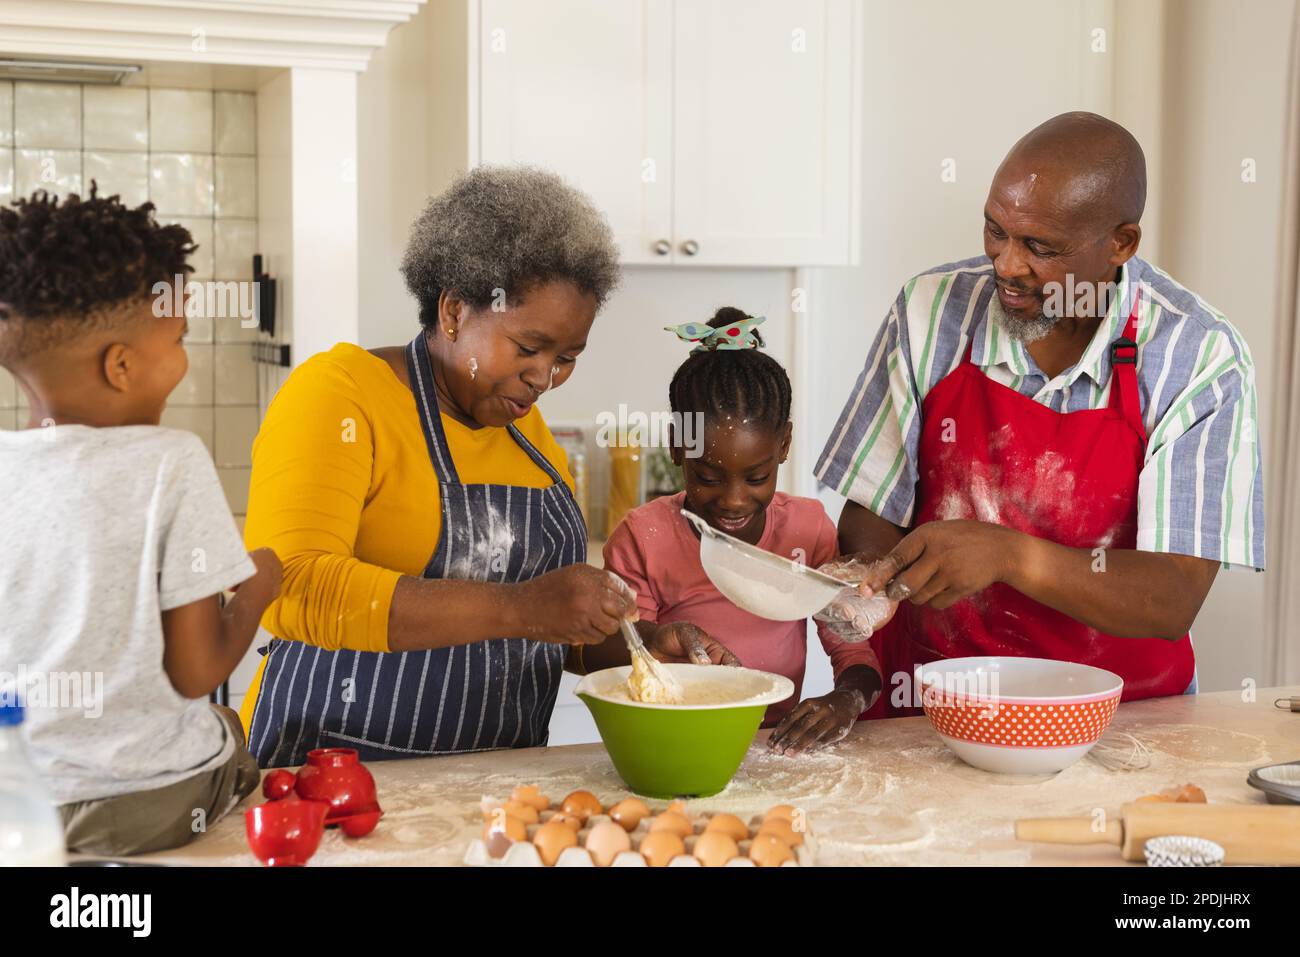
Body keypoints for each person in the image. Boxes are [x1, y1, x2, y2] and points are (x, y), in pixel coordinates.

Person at [241, 167, 732, 766]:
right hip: (330, 772)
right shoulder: (341, 394)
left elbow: (550, 628)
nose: (545, 378)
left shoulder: (525, 430)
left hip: (493, 779)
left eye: (566, 358)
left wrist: (640, 646)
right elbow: (291, 588)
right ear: (453, 310)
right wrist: (520, 607)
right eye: (528, 348)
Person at [816, 112, 1265, 717]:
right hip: (934, 704)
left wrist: (1009, 554)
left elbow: (1171, 595)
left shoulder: (1196, 354)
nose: (1005, 265)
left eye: (1040, 248)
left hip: (1123, 720)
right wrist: (870, 581)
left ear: (1121, 243)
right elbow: (875, 512)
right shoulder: (931, 312)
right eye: (995, 232)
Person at [0, 186, 281, 854]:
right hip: (146, 806)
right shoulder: (171, 462)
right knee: (226, 728)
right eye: (179, 339)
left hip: (24, 806)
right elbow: (194, 668)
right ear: (120, 366)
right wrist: (258, 588)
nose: (184, 357)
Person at [602, 308, 884, 754]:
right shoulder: (643, 537)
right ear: (678, 446)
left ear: (784, 447)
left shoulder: (807, 531)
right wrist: (653, 645)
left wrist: (844, 701)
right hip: (676, 742)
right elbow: (619, 657)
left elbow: (855, 654)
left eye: (756, 478)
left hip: (775, 745)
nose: (733, 500)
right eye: (709, 477)